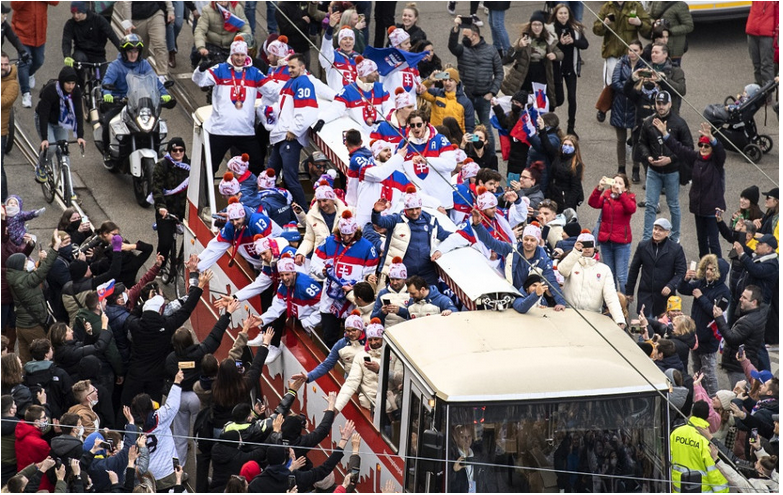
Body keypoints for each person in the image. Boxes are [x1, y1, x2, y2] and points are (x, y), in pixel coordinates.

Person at [192, 35, 278, 177]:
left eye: (242, 55)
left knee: (257, 163)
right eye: (236, 55)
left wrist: (290, 86)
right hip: (220, 130)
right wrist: (200, 69)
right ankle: (205, 197)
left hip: (244, 131)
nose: (239, 58)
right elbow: (200, 81)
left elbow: (273, 91)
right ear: (231, 54)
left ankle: (256, 194)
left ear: (247, 54)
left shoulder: (254, 72)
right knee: (209, 167)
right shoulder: (220, 69)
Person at [120, 271, 209, 407]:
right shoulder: (167, 325)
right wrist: (199, 287)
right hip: (156, 376)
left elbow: (132, 315)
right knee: (155, 409)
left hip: (135, 373)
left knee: (125, 406)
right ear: (160, 310)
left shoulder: (135, 325)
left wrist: (147, 302)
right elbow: (187, 309)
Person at [164, 298, 235, 463]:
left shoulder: (170, 360)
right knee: (199, 434)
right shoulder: (200, 353)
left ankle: (178, 470)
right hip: (198, 397)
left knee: (179, 435)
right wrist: (227, 314)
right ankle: (200, 466)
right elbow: (215, 335)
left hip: (178, 397)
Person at [311, 211, 379, 348]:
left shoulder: (368, 248)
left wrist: (354, 288)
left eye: (350, 234)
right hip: (330, 299)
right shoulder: (328, 242)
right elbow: (314, 263)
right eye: (343, 234)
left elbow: (369, 278)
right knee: (329, 337)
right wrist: (322, 272)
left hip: (352, 300)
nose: (346, 237)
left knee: (354, 340)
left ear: (356, 231)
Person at [472, 214, 567, 310]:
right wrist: (477, 226)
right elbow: (492, 242)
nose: (528, 243)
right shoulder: (511, 249)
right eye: (526, 239)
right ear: (522, 239)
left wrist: (560, 302)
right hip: (511, 293)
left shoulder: (543, 260)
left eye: (532, 240)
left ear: (538, 242)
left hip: (530, 296)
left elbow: (551, 281)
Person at [661, 121, 726, 258]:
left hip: (712, 210)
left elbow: (720, 151)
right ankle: (704, 269)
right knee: (701, 241)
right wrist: (665, 134)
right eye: (701, 145)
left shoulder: (716, 162)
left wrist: (712, 138)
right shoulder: (695, 158)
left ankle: (718, 270)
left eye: (706, 146)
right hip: (698, 208)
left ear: (711, 148)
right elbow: (678, 148)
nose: (703, 148)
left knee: (713, 242)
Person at [636, 91, 692, 243]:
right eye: (658, 103)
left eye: (663, 103)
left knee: (673, 204)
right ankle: (647, 238)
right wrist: (647, 156)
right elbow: (642, 142)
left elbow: (688, 147)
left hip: (672, 171)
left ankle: (675, 237)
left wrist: (671, 159)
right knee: (650, 205)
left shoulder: (679, 123)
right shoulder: (649, 122)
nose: (660, 107)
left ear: (670, 104)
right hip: (653, 171)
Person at [99, 34, 170, 155]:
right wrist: (107, 94)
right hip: (120, 102)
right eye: (130, 51)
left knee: (157, 124)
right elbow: (107, 82)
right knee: (107, 123)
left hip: (140, 102)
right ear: (124, 52)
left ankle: (158, 149)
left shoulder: (144, 64)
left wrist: (164, 94)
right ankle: (107, 151)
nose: (133, 54)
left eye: (136, 51)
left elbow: (155, 81)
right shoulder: (115, 66)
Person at [265, 54, 318, 209]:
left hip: (289, 137)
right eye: (288, 67)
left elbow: (307, 110)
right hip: (281, 136)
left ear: (302, 67)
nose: (289, 70)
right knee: (270, 174)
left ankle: (304, 212)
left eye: (293, 67)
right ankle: (272, 207)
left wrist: (294, 130)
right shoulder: (291, 82)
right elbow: (283, 108)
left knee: (290, 177)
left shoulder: (303, 83)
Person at [371, 187, 455, 286]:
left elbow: (444, 235)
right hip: (402, 273)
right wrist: (376, 212)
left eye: (417, 208)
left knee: (433, 298)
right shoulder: (396, 220)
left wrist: (464, 235)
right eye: (411, 209)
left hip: (426, 272)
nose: (415, 212)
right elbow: (380, 221)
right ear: (405, 208)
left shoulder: (430, 221)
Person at [677, 254, 731, 396]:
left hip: (709, 339)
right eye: (707, 268)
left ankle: (714, 400)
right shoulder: (702, 283)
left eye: (712, 270)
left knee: (709, 374)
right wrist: (686, 279)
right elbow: (683, 289)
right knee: (696, 370)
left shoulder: (724, 293)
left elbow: (715, 313)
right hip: (696, 337)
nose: (708, 272)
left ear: (720, 273)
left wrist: (700, 297)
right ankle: (699, 396)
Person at [448, 18, 503, 154]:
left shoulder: (491, 50)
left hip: (484, 97)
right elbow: (452, 46)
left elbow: (499, 73)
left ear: (475, 35)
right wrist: (455, 29)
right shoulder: (462, 49)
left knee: (486, 131)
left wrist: (492, 92)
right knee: (467, 128)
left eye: (466, 36)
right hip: (467, 97)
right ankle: (470, 155)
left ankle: (490, 157)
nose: (464, 38)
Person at [6, 231, 61, 364]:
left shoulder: (15, 277)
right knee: (45, 354)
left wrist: (41, 262)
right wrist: (55, 248)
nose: (28, 263)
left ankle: (25, 381)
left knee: (25, 359)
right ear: (19, 265)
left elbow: (35, 275)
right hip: (33, 326)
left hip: (22, 326)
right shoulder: (23, 280)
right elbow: (40, 274)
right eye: (25, 262)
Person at [592, 1, 651, 122]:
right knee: (611, 83)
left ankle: (628, 109)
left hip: (629, 54)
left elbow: (648, 28)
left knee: (631, 81)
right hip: (612, 52)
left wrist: (639, 23)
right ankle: (603, 108)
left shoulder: (635, 6)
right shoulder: (606, 7)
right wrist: (604, 24)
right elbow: (596, 29)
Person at [33, 66, 86, 193]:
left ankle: (69, 190)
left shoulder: (76, 91)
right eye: (68, 83)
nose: (70, 86)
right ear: (62, 82)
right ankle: (41, 167)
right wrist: (45, 138)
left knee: (64, 152)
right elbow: (44, 115)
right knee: (51, 147)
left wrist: (80, 136)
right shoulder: (50, 91)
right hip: (45, 120)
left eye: (73, 83)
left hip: (60, 123)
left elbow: (79, 113)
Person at [130, 369, 184, 492]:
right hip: (166, 473)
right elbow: (172, 405)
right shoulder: (160, 418)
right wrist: (176, 382)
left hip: (146, 473)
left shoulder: (131, 426)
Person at [558, 231, 626, 327]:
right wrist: (575, 251)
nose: (587, 248)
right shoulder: (572, 263)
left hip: (593, 318)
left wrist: (619, 319)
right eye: (583, 245)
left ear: (594, 247)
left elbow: (611, 296)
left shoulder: (604, 269)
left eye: (590, 244)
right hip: (570, 314)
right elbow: (562, 270)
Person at [196, 198, 282, 272]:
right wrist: (199, 264)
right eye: (232, 220)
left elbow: (270, 248)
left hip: (277, 260)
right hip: (261, 266)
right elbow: (216, 247)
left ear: (243, 215)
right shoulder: (230, 227)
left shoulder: (257, 221)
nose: (235, 223)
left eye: (237, 219)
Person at [626, 217, 687, 318]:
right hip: (646, 294)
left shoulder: (675, 249)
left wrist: (670, 285)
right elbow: (634, 269)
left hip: (665, 297)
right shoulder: (643, 246)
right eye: (655, 229)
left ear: (667, 233)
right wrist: (629, 291)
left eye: (660, 230)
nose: (656, 232)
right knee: (645, 328)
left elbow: (681, 272)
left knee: (663, 329)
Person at [501, 11, 563, 110]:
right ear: (531, 25)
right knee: (520, 103)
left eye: (539, 24)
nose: (537, 27)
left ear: (543, 26)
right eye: (534, 24)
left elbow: (560, 54)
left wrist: (554, 55)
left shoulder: (549, 40)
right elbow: (509, 56)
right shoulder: (524, 39)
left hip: (540, 75)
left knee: (538, 105)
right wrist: (519, 46)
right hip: (524, 74)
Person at [399, 110, 458, 209]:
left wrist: (427, 161)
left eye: (419, 124)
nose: (416, 128)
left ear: (425, 123)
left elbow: (451, 164)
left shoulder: (439, 139)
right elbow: (398, 168)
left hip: (441, 199)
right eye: (412, 125)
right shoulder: (404, 143)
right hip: (418, 203)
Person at [588, 174, 636, 291]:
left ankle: (624, 303)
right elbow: (593, 203)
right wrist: (599, 188)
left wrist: (622, 195)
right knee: (609, 275)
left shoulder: (629, 197)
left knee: (621, 276)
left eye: (620, 183)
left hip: (621, 243)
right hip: (606, 241)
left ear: (625, 187)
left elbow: (631, 209)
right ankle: (612, 303)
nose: (616, 185)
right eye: (615, 182)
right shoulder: (607, 196)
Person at [670, 400, 730, 493]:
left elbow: (669, 459)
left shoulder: (676, 433)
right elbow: (714, 471)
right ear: (707, 417)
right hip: (700, 489)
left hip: (678, 487)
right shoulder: (705, 440)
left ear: (692, 413)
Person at [715, 285, 768, 389]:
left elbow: (731, 338)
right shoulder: (759, 313)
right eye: (741, 296)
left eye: (744, 298)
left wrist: (719, 318)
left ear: (754, 302)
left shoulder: (747, 322)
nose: (740, 299)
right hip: (745, 363)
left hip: (738, 367)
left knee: (739, 395)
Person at [549, 4, 589, 136]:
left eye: (565, 13)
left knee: (572, 97)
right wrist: (559, 42)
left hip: (571, 68)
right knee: (557, 99)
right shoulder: (551, 29)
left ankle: (571, 126)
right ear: (556, 15)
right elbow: (548, 47)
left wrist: (573, 41)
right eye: (560, 13)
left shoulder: (575, 28)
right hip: (557, 68)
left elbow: (585, 44)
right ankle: (549, 123)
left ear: (569, 14)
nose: (563, 16)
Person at [151, 137, 189, 273]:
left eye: (181, 150)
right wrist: (161, 206)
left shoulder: (191, 167)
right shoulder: (162, 166)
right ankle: (160, 266)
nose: (178, 153)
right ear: (169, 151)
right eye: (175, 150)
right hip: (166, 211)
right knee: (165, 242)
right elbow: (157, 188)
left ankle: (182, 261)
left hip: (184, 211)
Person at [62, 1, 121, 88]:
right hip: (81, 52)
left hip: (98, 54)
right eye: (73, 13)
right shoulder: (70, 24)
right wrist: (67, 55)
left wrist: (123, 52)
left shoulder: (99, 20)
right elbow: (66, 41)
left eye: (78, 13)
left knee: (105, 78)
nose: (75, 16)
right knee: (78, 63)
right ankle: (79, 88)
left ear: (84, 11)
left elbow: (112, 36)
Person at [11, 1, 57, 109]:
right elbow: (14, 5)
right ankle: (26, 94)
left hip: (39, 34)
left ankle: (30, 74)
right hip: (22, 33)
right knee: (24, 62)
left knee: (39, 60)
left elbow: (56, 2)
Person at [335, 319, 387, 412]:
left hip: (388, 406)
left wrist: (380, 371)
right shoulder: (360, 356)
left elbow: (399, 379)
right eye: (370, 339)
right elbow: (351, 383)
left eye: (376, 339)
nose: (373, 342)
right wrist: (336, 408)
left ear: (383, 338)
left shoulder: (393, 355)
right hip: (368, 405)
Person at [610, 40, 644, 181]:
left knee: (636, 139)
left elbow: (644, 86)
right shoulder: (621, 64)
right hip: (620, 106)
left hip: (635, 107)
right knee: (621, 140)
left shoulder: (644, 66)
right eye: (630, 50)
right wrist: (631, 86)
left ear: (641, 51)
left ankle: (636, 168)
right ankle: (621, 168)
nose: (632, 53)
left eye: (636, 50)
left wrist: (629, 88)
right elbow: (615, 83)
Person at [537, 118, 584, 213]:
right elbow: (547, 145)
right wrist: (542, 129)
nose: (567, 147)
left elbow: (575, 188)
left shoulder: (576, 165)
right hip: (552, 194)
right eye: (565, 144)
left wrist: (568, 206)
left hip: (564, 199)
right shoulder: (557, 156)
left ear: (575, 149)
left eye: (570, 145)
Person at [116, 1, 173, 78]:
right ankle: (139, 73)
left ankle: (162, 75)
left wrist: (170, 10)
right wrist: (128, 23)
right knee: (141, 49)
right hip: (137, 18)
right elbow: (126, 2)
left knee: (160, 44)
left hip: (155, 13)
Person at [22, 338, 73, 420]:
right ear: (46, 354)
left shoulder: (26, 376)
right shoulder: (59, 373)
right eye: (51, 349)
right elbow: (70, 397)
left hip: (34, 420)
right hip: (57, 419)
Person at [320, 13, 359, 92]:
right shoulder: (333, 56)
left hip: (356, 100)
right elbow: (325, 50)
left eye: (351, 39)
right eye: (344, 38)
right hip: (337, 99)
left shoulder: (359, 59)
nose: (348, 41)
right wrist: (330, 28)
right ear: (339, 42)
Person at [745, 1, 778, 87]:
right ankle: (758, 92)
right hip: (752, 30)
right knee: (756, 65)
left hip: (768, 33)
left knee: (766, 66)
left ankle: (767, 95)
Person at [1, 52, 18, 201]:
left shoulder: (12, 84)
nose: (3, 67)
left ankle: (3, 201)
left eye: (6, 64)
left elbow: (5, 101)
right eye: (1, 64)